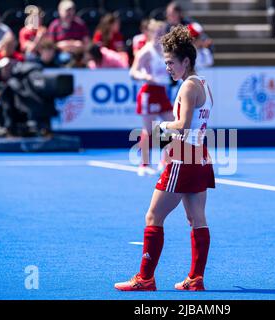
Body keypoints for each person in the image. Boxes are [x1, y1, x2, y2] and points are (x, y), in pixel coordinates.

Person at [115, 25, 215, 291]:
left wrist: (161, 129)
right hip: (200, 155)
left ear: (186, 61)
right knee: (197, 219)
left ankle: (145, 278)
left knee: (153, 217)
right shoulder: (202, 83)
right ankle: (195, 279)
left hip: (184, 157)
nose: (168, 68)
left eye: (171, 63)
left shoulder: (187, 88)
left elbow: (181, 125)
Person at [129, 20, 174, 176]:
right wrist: (144, 75)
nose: (160, 36)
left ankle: (165, 161)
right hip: (149, 92)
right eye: (158, 33)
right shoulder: (146, 51)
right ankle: (144, 164)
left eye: (163, 33)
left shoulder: (165, 50)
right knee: (149, 130)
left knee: (173, 126)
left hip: (162, 91)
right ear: (150, 33)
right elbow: (133, 71)